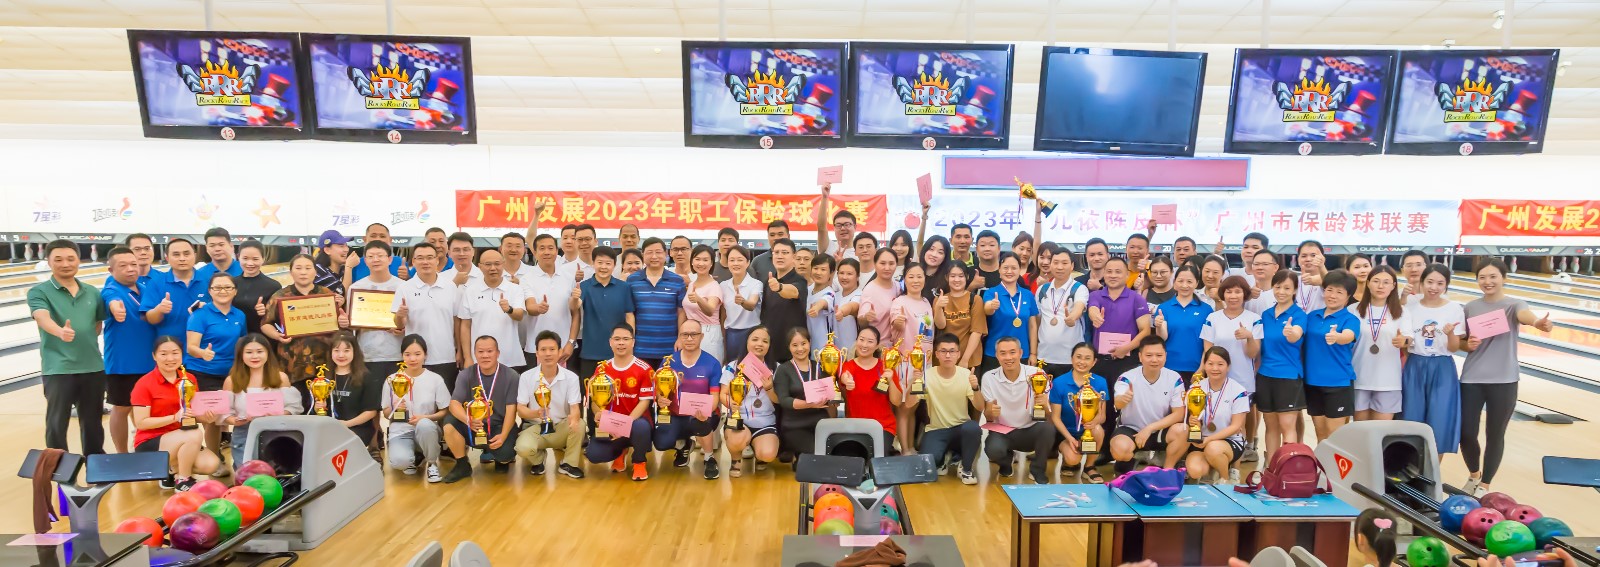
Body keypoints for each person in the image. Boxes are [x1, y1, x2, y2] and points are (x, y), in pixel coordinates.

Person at [1459, 258, 1552, 495]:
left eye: (1493, 276)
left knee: (1495, 434)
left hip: (1504, 380)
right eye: (1482, 277)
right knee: (1466, 433)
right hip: (1472, 378)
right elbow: (1461, 342)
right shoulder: (1470, 307)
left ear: (1503, 278)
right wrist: (1466, 344)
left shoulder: (1514, 304)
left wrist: (1537, 322)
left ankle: (1485, 485)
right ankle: (1474, 475)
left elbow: (1525, 315)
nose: (1487, 281)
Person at [30, 239, 107, 454]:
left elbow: (97, 325)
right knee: (57, 423)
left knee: (93, 423)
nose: (65, 264)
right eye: (58, 259)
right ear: (48, 262)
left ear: (78, 260)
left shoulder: (92, 292)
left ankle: (95, 464)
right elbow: (41, 317)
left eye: (70, 259)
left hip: (92, 366)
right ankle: (58, 467)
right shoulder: (39, 291)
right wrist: (59, 332)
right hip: (59, 368)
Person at [130, 337, 221, 491]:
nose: (170, 358)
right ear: (154, 356)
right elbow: (141, 422)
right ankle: (183, 480)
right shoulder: (144, 384)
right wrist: (174, 417)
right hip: (151, 442)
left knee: (211, 464)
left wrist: (206, 417)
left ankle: (170, 471)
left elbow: (192, 413)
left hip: (183, 438)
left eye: (175, 353)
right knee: (194, 434)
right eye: (163, 354)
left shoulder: (189, 379)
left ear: (182, 354)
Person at [1401, 263, 1463, 456]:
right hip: (1415, 364)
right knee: (1411, 418)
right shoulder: (1410, 306)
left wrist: (1451, 334)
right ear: (1422, 282)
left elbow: (1454, 347)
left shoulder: (1454, 308)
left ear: (1446, 285)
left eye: (1440, 283)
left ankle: (1434, 470)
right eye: (1429, 282)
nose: (1434, 287)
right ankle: (1409, 466)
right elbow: (1404, 340)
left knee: (1440, 420)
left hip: (1443, 366)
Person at [185, 271, 247, 466]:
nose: (223, 291)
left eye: (227, 287)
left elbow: (242, 344)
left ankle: (241, 456)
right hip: (204, 372)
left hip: (231, 374)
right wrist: (203, 353)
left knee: (235, 414)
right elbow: (191, 347)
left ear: (235, 291)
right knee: (212, 418)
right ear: (210, 291)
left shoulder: (239, 315)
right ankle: (215, 459)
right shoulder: (200, 315)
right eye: (217, 287)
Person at [441, 336, 523, 483]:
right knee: (449, 425)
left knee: (505, 454)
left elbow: (512, 410)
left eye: (489, 351)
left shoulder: (511, 376)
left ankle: (500, 459)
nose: (485, 355)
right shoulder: (465, 374)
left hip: (499, 425)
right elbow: (454, 404)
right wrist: (468, 420)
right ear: (475, 354)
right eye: (480, 351)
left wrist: (504, 435)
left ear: (498, 353)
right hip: (473, 425)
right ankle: (462, 465)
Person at [1199, 275, 1262, 462]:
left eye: (1237, 292)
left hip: (1243, 379)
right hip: (1216, 378)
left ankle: (1241, 456)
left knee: (1240, 420)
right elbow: (1208, 351)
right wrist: (1202, 371)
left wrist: (1249, 337)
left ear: (1245, 294)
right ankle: (1217, 453)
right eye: (1228, 292)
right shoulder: (1212, 318)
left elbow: (1253, 353)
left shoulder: (1254, 319)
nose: (1233, 296)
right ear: (1222, 294)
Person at [583, 325, 655, 482]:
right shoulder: (601, 368)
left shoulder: (644, 369)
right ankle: (621, 452)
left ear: (633, 342)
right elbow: (595, 401)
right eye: (617, 339)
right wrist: (599, 413)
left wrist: (624, 424)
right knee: (594, 455)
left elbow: (645, 402)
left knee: (641, 427)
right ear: (610, 342)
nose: (621, 343)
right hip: (611, 425)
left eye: (625, 339)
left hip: (635, 423)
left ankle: (639, 461)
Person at [653, 320, 724, 479]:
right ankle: (683, 444)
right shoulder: (668, 361)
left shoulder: (712, 363)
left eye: (694, 334)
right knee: (661, 442)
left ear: (701, 336)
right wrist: (660, 399)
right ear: (679, 336)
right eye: (685, 334)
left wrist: (706, 411)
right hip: (675, 415)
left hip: (702, 416)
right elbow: (658, 390)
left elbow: (715, 396)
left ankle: (709, 458)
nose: (690, 338)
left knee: (700, 422)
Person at [102, 246, 156, 453]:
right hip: (123, 363)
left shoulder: (144, 288)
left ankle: (143, 448)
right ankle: (122, 454)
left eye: (133, 264)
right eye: (123, 266)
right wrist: (115, 308)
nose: (130, 269)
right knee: (122, 407)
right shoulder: (112, 289)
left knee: (145, 407)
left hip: (149, 361)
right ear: (111, 270)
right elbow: (112, 301)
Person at [979, 337, 1054, 484]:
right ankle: (1006, 462)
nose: (1008, 357)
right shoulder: (989, 377)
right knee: (993, 450)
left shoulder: (1037, 374)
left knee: (1048, 429)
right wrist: (990, 412)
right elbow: (988, 416)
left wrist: (1045, 404)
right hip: (1003, 431)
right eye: (1003, 353)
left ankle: (1038, 469)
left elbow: (1048, 414)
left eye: (1012, 352)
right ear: (996, 355)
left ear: (1021, 353)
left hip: (1031, 429)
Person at [907, 333, 981, 484]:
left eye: (952, 351)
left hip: (961, 428)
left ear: (958, 354)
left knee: (973, 428)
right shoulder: (927, 375)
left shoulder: (966, 374)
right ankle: (942, 459)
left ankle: (966, 468)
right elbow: (909, 404)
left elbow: (980, 406)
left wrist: (976, 387)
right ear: (936, 354)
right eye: (943, 351)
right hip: (936, 430)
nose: (948, 355)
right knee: (927, 464)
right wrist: (914, 383)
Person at [1169, 347, 1249, 483]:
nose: (1215, 368)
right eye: (1210, 364)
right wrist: (1194, 422)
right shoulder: (1196, 388)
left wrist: (1210, 440)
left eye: (1220, 364)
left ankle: (1224, 480)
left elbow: (1236, 426)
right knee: (1195, 470)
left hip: (1229, 441)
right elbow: (1193, 419)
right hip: (1201, 441)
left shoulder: (1238, 391)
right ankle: (1213, 469)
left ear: (1228, 366)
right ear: (1204, 365)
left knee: (1213, 449)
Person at [222, 334, 302, 469]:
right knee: (248, 474)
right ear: (241, 355)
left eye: (260, 351)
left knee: (276, 473)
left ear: (268, 353)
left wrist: (280, 414)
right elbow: (225, 413)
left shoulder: (280, 377)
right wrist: (235, 421)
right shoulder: (232, 380)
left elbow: (293, 407)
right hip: (244, 432)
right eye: (249, 352)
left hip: (276, 431)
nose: (255, 356)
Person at [513, 331, 585, 479]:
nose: (547, 354)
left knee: (580, 424)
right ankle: (539, 459)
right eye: (543, 350)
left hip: (561, 427)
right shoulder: (526, 377)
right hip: (536, 428)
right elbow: (520, 410)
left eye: (552, 349)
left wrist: (574, 418)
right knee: (522, 448)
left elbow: (575, 407)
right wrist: (536, 413)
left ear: (559, 352)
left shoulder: (571, 377)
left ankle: (569, 463)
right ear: (537, 353)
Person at [1109, 337, 1185, 476]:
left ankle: (1167, 471)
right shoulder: (1127, 377)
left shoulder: (1174, 378)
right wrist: (1123, 399)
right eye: (1149, 355)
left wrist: (1150, 428)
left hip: (1159, 429)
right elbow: (1118, 403)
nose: (1154, 360)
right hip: (1131, 429)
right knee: (1120, 449)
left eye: (1159, 355)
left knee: (1183, 430)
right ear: (1140, 356)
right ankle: (1132, 459)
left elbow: (1179, 413)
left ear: (1165, 356)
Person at [380, 335, 450, 481]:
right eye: (407, 354)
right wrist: (395, 409)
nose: (412, 359)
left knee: (424, 425)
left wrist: (426, 418)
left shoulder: (435, 379)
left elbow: (444, 410)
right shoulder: (392, 380)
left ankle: (432, 464)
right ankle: (412, 459)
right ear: (402, 356)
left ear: (425, 355)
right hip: (400, 431)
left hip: (426, 430)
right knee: (400, 462)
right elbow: (386, 413)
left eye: (417, 354)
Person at [1255, 269, 1308, 461]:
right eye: (1278, 287)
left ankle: (1287, 467)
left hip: (1288, 377)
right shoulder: (1266, 314)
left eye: (1287, 288)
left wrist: (1292, 333)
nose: (1281, 292)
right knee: (1271, 427)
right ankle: (1271, 467)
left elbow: (1296, 334)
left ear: (1295, 290)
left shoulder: (1299, 315)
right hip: (1265, 375)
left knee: (1287, 427)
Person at [392, 243, 460, 390]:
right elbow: (399, 324)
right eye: (420, 258)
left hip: (445, 356)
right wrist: (400, 315)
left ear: (437, 260)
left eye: (430, 257)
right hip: (415, 358)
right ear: (413, 261)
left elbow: (457, 321)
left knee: (445, 399)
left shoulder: (450, 286)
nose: (425, 262)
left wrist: (459, 350)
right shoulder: (404, 288)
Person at [1304, 269, 1361, 442]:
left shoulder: (1350, 319)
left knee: (1335, 436)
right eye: (1329, 290)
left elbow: (1348, 336)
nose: (1333, 295)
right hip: (1313, 382)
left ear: (1348, 296)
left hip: (1338, 383)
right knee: (1320, 433)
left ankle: (1337, 462)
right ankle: (1321, 461)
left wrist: (1338, 337)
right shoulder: (1312, 316)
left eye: (1339, 292)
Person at [888, 264, 934, 452]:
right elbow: (895, 324)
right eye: (911, 276)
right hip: (906, 363)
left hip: (924, 364)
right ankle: (904, 449)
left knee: (913, 406)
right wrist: (898, 322)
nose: (916, 280)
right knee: (903, 407)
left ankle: (910, 448)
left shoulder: (926, 301)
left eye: (919, 276)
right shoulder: (900, 302)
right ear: (904, 280)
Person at [456, 249, 527, 370]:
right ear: (480, 267)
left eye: (497, 264)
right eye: (488, 264)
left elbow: (519, 316)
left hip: (511, 359)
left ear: (503, 264)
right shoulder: (471, 291)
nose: (493, 268)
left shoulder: (515, 289)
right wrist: (467, 357)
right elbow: (465, 325)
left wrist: (509, 309)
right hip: (480, 359)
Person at [1049, 342, 1109, 483]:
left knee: (1098, 430)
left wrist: (1095, 421)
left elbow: (1102, 416)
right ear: (1072, 359)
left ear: (1094, 362)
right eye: (1078, 357)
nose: (1082, 362)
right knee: (1072, 459)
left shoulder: (1100, 382)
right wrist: (1069, 438)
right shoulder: (1059, 382)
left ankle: (1089, 467)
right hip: (1065, 433)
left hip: (1088, 431)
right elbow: (1055, 418)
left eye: (1087, 358)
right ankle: (1068, 461)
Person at [519, 233, 581, 370]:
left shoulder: (569, 277)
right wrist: (538, 308)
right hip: (536, 349)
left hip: (565, 349)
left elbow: (575, 313)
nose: (547, 252)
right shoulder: (526, 278)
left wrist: (571, 342)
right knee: (538, 383)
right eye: (542, 248)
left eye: (550, 248)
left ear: (556, 251)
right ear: (535, 252)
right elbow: (530, 306)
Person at [1353, 266, 1406, 422]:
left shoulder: (1402, 312)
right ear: (1368, 283)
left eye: (1386, 282)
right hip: (1358, 378)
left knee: (1381, 431)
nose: (1381, 286)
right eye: (1376, 281)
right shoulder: (1353, 310)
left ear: (1393, 286)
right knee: (1360, 430)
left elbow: (1409, 339)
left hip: (1388, 381)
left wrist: (1404, 341)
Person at [312, 332, 382, 449]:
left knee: (338, 442)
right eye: (336, 350)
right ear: (330, 352)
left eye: (346, 351)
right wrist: (318, 407)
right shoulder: (323, 376)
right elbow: (317, 408)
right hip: (329, 427)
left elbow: (371, 412)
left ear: (355, 352)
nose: (341, 355)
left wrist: (346, 424)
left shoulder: (366, 376)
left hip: (358, 427)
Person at [1088, 257, 1152, 382]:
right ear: (1104, 274)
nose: (1113, 275)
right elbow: (1093, 308)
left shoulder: (1137, 299)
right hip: (1099, 361)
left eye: (1118, 272)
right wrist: (1095, 315)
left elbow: (1145, 330)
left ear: (1127, 275)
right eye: (1109, 271)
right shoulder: (1095, 295)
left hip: (1128, 361)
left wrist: (1126, 348)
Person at [730, 327, 783, 476]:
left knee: (767, 454)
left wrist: (769, 389)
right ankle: (735, 460)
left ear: (769, 345)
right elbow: (723, 393)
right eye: (755, 339)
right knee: (737, 440)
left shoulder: (777, 368)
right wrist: (729, 403)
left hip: (765, 421)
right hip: (740, 418)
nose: (759, 344)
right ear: (746, 342)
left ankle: (758, 451)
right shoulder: (733, 366)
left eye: (765, 341)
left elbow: (780, 400)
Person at [627, 237, 686, 369]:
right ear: (643, 254)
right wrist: (630, 340)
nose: (654, 256)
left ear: (666, 254)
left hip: (670, 347)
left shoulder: (677, 281)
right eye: (649, 252)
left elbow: (681, 312)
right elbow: (629, 314)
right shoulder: (632, 280)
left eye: (658, 252)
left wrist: (680, 338)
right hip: (640, 347)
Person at [576, 247, 635, 379]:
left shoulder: (624, 287)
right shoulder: (584, 286)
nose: (603, 267)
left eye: (608, 263)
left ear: (614, 265)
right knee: (590, 389)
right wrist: (574, 299)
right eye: (600, 262)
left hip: (618, 351)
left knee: (618, 389)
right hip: (591, 351)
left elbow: (629, 315)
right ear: (593, 263)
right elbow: (575, 307)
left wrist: (630, 342)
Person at [350, 241, 403, 380]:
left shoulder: (403, 287)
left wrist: (403, 327)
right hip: (367, 355)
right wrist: (348, 322)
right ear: (365, 261)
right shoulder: (356, 288)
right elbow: (352, 324)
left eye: (380, 255)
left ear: (390, 259)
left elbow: (412, 319)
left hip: (397, 354)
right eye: (371, 256)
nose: (375, 259)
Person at [981, 252, 1040, 376]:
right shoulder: (991, 293)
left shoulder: (1028, 294)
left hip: (1021, 353)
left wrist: (1033, 353)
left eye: (1014, 268)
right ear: (999, 270)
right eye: (1005, 268)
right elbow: (987, 309)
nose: (1009, 271)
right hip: (995, 353)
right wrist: (991, 306)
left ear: (1019, 270)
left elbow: (1032, 326)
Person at [839, 326, 898, 443]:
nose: (864, 345)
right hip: (855, 427)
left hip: (883, 427)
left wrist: (891, 381)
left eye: (870, 341)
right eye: (861, 339)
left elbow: (897, 402)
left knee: (876, 453)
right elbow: (844, 376)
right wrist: (846, 381)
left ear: (877, 346)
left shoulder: (886, 367)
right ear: (856, 341)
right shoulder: (848, 366)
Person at [1035, 250, 1088, 378]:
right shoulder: (1042, 290)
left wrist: (1072, 317)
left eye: (1064, 263)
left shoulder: (1079, 288)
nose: (1059, 267)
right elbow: (1037, 320)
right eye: (1056, 262)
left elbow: (1079, 306)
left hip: (1070, 359)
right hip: (1043, 356)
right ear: (1051, 265)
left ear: (1072, 266)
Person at [141, 237, 204, 341]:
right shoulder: (156, 283)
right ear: (167, 258)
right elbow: (150, 319)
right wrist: (159, 310)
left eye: (186, 254)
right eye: (176, 255)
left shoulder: (208, 280)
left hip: (203, 345)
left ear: (195, 255)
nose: (182, 258)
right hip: (170, 346)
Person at [1154, 266, 1212, 378]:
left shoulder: (1206, 310)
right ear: (1174, 283)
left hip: (1196, 369)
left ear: (1196, 283)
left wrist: (1201, 369)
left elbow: (1209, 344)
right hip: (1168, 367)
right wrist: (1159, 326)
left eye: (1189, 281)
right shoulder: (1164, 308)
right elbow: (1162, 338)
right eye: (1180, 281)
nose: (1184, 285)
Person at [760, 239, 808, 364]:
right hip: (770, 350)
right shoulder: (768, 281)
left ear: (794, 257)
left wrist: (779, 287)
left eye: (785, 252)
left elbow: (793, 291)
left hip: (792, 351)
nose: (780, 256)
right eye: (776, 252)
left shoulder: (800, 280)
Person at [933, 263, 985, 370]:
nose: (957, 279)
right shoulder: (940, 299)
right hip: (945, 359)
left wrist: (965, 359)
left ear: (967, 277)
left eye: (961, 276)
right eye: (952, 276)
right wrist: (938, 307)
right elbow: (941, 325)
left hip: (969, 359)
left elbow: (977, 331)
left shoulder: (975, 299)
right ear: (947, 278)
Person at [231, 241, 282, 340]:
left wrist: (266, 311)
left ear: (263, 259)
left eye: (255, 259)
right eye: (245, 258)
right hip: (235, 339)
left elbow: (279, 317)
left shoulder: (273, 286)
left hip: (262, 340)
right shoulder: (231, 284)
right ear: (238, 257)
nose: (250, 263)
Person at [721, 246, 763, 365]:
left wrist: (743, 301)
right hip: (731, 334)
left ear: (748, 262)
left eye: (740, 260)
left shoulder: (756, 284)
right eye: (732, 260)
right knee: (732, 368)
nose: (735, 263)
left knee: (752, 369)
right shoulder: (723, 285)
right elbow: (723, 314)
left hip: (752, 333)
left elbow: (752, 304)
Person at [683, 245, 725, 363]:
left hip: (708, 333)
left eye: (705, 260)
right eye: (697, 259)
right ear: (692, 262)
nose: (701, 263)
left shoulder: (714, 286)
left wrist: (699, 299)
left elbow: (710, 310)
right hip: (691, 332)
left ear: (711, 263)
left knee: (708, 368)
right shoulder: (692, 284)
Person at [348, 223, 414, 284]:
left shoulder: (400, 262)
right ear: (365, 239)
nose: (378, 239)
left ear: (390, 240)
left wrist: (407, 277)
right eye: (373, 236)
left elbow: (412, 287)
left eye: (382, 236)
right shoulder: (356, 264)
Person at [858, 248, 901, 338]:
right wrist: (866, 317)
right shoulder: (870, 290)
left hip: (896, 344)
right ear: (875, 264)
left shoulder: (897, 286)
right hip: (878, 344)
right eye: (882, 263)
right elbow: (861, 321)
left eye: (891, 263)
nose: (887, 268)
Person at [194, 227, 242, 303]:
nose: (217, 249)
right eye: (212, 245)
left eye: (221, 245)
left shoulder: (244, 270)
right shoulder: (199, 275)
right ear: (207, 248)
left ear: (231, 246)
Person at [314, 229, 352, 296]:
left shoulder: (342, 270)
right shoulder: (318, 271)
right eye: (341, 246)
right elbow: (341, 296)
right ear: (327, 250)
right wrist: (349, 267)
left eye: (346, 245)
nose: (346, 249)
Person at [1295, 240, 1329, 312]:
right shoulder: (1293, 280)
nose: (1308, 259)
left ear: (1323, 258)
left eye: (1313, 255)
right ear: (1298, 259)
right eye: (1304, 256)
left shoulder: (1332, 278)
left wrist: (1322, 267)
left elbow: (1329, 283)